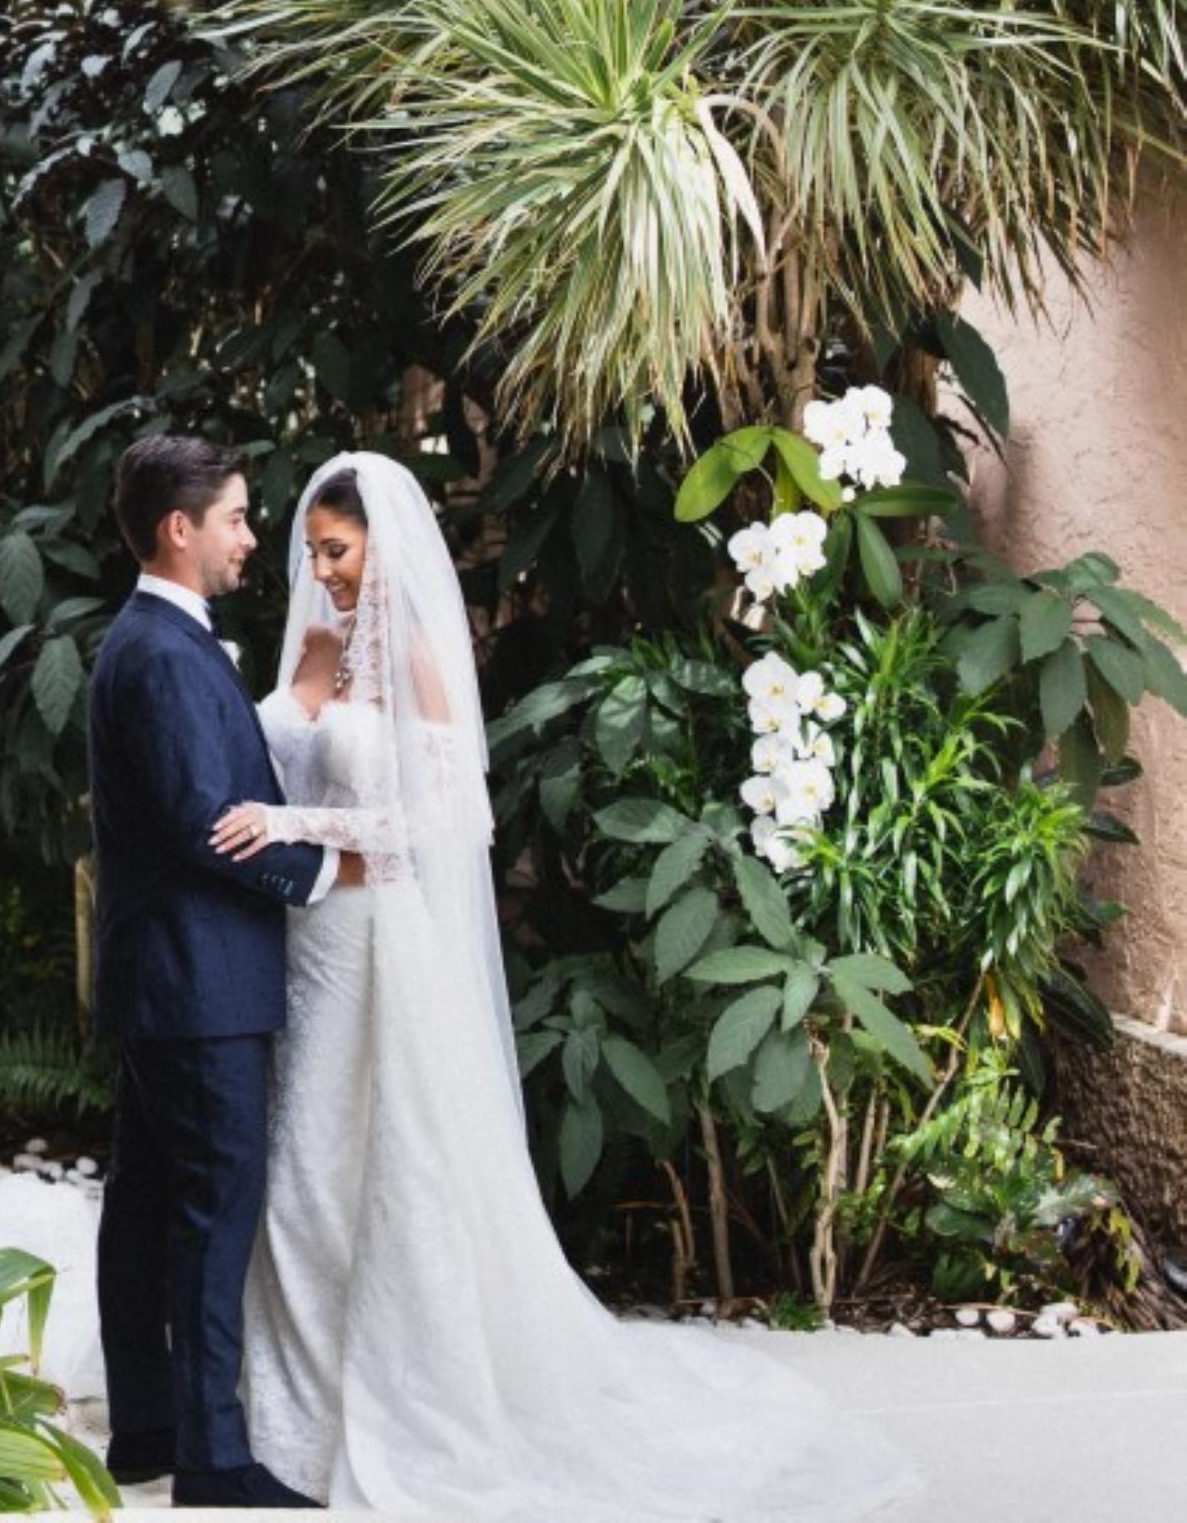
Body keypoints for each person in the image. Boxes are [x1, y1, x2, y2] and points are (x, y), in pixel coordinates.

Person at [211, 450, 919, 1520]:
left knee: (372, 1168)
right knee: (302, 1173)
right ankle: (290, 1416)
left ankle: (396, 1403)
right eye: (312, 550)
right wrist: (297, 697)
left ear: (383, 546)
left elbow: (439, 824)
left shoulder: (416, 656)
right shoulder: (323, 641)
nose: (323, 569)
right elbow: (274, 760)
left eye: (338, 549)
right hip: (311, 941)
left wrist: (296, 823)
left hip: (381, 952)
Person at [88, 432, 364, 1510]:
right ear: (180, 527)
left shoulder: (156, 641)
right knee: (212, 1210)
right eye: (240, 518)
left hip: (168, 978)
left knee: (150, 1201)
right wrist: (333, 868)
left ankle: (149, 1427)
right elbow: (210, 822)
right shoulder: (160, 650)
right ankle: (211, 1460)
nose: (255, 538)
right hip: (198, 983)